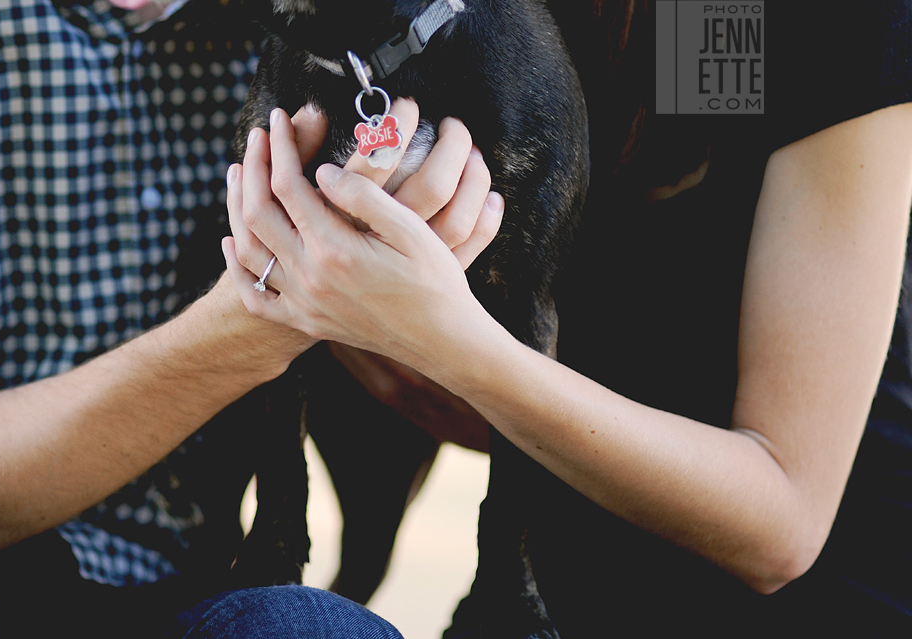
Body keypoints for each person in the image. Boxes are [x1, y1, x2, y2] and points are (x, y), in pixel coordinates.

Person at [226, 0, 912, 636]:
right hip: (560, 572)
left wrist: (453, 345)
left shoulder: (795, 20)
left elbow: (781, 523)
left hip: (809, 595)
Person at [0, 0, 499, 637]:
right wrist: (265, 318)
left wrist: (434, 324)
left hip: (194, 584)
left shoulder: (345, 36)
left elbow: (506, 413)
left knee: (320, 630)